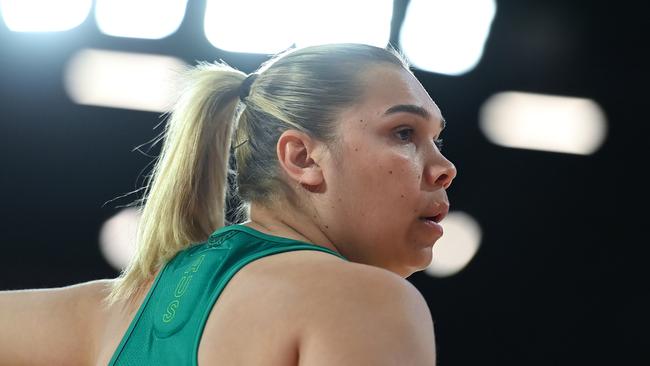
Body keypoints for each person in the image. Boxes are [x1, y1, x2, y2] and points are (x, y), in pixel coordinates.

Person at [0, 43, 456, 365]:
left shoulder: (113, 310)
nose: (444, 168)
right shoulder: (369, 301)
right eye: (404, 134)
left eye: (436, 139)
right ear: (302, 158)